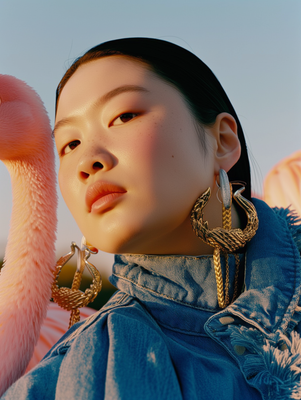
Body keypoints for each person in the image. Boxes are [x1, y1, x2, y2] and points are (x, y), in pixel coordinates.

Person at [2, 37, 301, 400]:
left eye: (124, 115)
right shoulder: (84, 373)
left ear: (222, 140)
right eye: (69, 144)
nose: (87, 161)